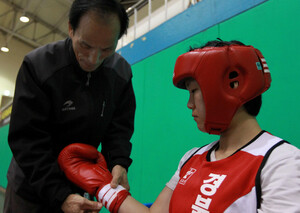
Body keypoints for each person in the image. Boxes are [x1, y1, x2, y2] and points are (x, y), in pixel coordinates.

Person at [58, 40, 300, 213]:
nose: (189, 104)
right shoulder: (192, 158)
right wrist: (103, 186)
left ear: (233, 86)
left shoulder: (281, 162)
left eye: (194, 91)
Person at [4, 0, 136, 212]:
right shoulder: (38, 66)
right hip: (31, 188)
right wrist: (60, 195)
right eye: (85, 45)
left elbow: (119, 130)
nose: (94, 59)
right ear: (71, 29)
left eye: (107, 49)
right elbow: (27, 141)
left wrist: (118, 163)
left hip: (79, 186)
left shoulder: (121, 74)